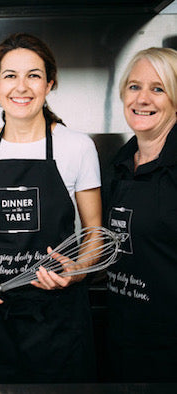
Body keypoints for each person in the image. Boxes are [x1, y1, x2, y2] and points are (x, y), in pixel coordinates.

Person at [0, 32, 102, 383]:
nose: (21, 87)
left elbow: (95, 230)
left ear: (49, 83)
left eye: (33, 75)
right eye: (10, 76)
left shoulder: (77, 147)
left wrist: (77, 271)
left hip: (58, 320)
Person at [105, 47, 177, 382]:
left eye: (158, 88)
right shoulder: (120, 164)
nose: (143, 98)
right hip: (122, 339)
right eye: (134, 87)